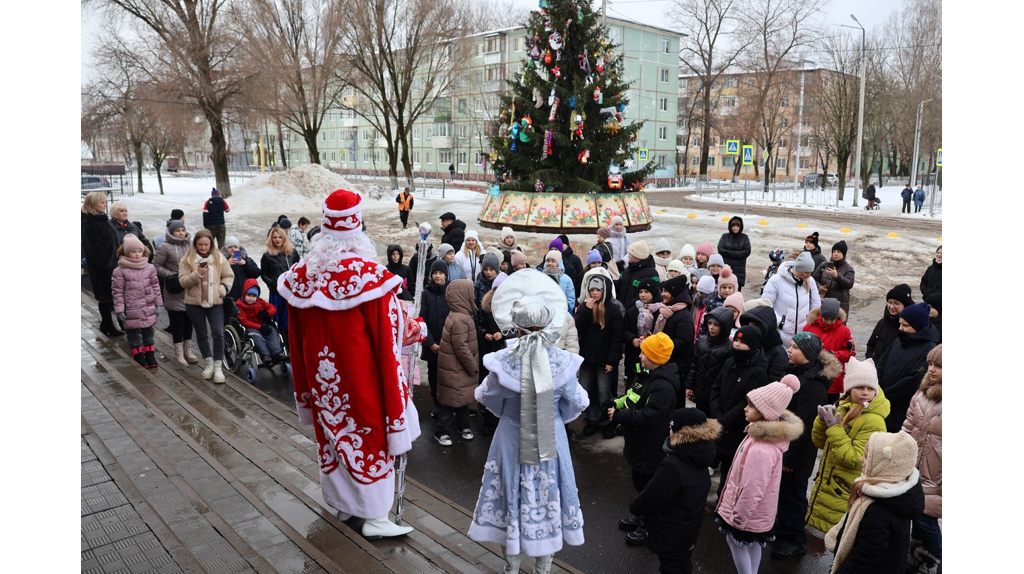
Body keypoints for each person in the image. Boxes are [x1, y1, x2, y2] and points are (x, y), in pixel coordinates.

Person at [278, 188, 418, 539]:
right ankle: (374, 515)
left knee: (333, 436)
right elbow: (388, 335)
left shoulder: (303, 274)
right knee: (370, 438)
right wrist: (413, 328)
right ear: (358, 230)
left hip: (323, 381)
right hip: (363, 379)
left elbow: (293, 333)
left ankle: (344, 505)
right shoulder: (370, 278)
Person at [468, 273, 589, 574]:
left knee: (510, 493)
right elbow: (577, 402)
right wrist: (554, 416)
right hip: (552, 438)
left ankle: (511, 567)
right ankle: (543, 568)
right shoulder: (563, 362)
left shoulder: (503, 362)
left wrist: (511, 413)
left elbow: (487, 398)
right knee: (547, 495)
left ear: (515, 324)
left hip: (510, 437)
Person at [715, 375, 803, 574]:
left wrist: (739, 517)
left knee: (735, 541)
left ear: (766, 412)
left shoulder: (761, 448)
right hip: (757, 513)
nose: (745, 409)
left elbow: (753, 487)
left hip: (747, 512)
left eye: (751, 406)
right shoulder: (760, 437)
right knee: (752, 543)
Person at [770, 333, 841, 560]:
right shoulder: (794, 373)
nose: (789, 350)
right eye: (790, 345)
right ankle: (783, 531)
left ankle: (796, 540)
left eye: (795, 347)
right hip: (784, 445)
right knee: (783, 494)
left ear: (808, 354)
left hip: (797, 453)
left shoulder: (812, 385)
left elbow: (805, 426)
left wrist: (789, 459)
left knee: (794, 496)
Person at [629, 408, 720, 574]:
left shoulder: (673, 465)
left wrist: (636, 509)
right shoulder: (701, 457)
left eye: (671, 427)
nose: (669, 431)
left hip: (670, 529)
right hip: (689, 527)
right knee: (683, 562)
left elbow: (651, 496)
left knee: (670, 566)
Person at [805, 357, 890, 534]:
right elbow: (821, 443)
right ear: (849, 389)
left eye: (870, 388)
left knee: (843, 537)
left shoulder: (874, 421)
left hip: (845, 489)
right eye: (860, 387)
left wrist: (834, 428)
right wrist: (822, 423)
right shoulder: (844, 407)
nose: (865, 392)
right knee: (834, 538)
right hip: (832, 484)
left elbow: (855, 459)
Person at [609, 332, 679, 547]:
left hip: (651, 445)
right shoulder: (646, 375)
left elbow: (649, 416)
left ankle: (649, 527)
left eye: (644, 354)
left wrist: (620, 415)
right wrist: (615, 404)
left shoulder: (663, 386)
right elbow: (632, 398)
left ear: (656, 358)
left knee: (650, 488)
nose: (639, 356)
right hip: (639, 444)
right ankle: (642, 516)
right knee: (640, 482)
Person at [824, 432, 925, 574]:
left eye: (867, 456)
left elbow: (864, 556)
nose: (861, 459)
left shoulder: (876, 510)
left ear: (884, 465)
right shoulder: (899, 493)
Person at [710, 325, 770, 496]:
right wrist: (717, 417)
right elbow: (715, 389)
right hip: (720, 424)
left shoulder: (758, 372)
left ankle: (723, 504)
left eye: (742, 342)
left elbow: (746, 402)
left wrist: (724, 421)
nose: (737, 344)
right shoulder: (730, 362)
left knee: (730, 473)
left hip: (736, 430)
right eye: (736, 340)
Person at [902, 344, 942, 573]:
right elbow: (908, 424)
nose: (932, 369)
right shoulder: (922, 392)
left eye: (939, 365)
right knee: (916, 514)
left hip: (936, 472)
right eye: (930, 364)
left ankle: (934, 561)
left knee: (927, 519)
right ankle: (916, 556)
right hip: (914, 466)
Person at [178, 229, 234, 383]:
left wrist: (223, 288)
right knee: (201, 333)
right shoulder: (187, 260)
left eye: (206, 245)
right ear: (195, 244)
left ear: (211, 244)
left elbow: (229, 275)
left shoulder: (219, 258)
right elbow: (182, 282)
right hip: (194, 303)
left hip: (215, 302)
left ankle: (218, 366)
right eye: (200, 245)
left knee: (217, 333)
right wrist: (198, 274)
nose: (203, 248)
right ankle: (208, 363)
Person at [875, 303, 939, 433]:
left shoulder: (928, 348)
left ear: (918, 326)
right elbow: (881, 364)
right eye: (900, 324)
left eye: (905, 325)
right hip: (881, 403)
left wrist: (884, 395)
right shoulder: (899, 341)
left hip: (902, 410)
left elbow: (913, 381)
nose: (900, 328)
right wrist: (876, 388)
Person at [576, 274, 625, 437]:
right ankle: (591, 419)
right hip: (587, 358)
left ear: (605, 291)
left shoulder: (613, 309)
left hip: (604, 360)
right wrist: (586, 310)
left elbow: (617, 337)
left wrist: (612, 360)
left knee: (604, 392)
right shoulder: (584, 306)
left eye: (598, 290)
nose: (595, 293)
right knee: (586, 389)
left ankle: (606, 422)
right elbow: (579, 328)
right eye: (592, 290)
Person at [435, 279, 479, 446]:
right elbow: (461, 347)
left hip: (456, 369)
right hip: (456, 369)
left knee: (461, 398)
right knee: (451, 400)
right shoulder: (461, 319)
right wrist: (472, 366)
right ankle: (441, 431)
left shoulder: (459, 314)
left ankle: (464, 426)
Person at [112, 234, 163, 369]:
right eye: (133, 252)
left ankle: (150, 353)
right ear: (127, 252)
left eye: (139, 251)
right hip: (131, 307)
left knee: (149, 331)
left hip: (147, 306)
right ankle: (137, 354)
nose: (137, 254)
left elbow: (156, 287)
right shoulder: (120, 271)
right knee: (133, 333)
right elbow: (117, 292)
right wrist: (119, 309)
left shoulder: (149, 267)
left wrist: (159, 303)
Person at [153, 220, 199, 366]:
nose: (181, 233)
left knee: (188, 322)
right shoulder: (165, 247)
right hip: (174, 289)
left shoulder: (190, 245)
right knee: (177, 322)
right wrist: (170, 274)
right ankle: (178, 353)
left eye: (182, 230)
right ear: (172, 232)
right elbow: (156, 266)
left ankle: (188, 351)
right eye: (177, 231)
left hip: (189, 288)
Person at [82, 192, 124, 337]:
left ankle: (106, 324)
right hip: (102, 268)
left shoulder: (100, 218)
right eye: (102, 202)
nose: (105, 205)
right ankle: (108, 325)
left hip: (112, 265)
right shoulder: (89, 221)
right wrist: (106, 263)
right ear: (93, 203)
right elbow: (93, 247)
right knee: (105, 297)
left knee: (110, 296)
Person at [762, 251, 820, 348]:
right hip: (780, 333)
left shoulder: (810, 281)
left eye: (810, 272)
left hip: (802, 335)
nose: (808, 275)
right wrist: (780, 323)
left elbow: (816, 305)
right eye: (806, 272)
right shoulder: (776, 280)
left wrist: (810, 324)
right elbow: (765, 305)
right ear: (798, 269)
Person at [654, 276, 695, 407]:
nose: (662, 294)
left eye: (665, 291)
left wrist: (659, 342)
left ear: (674, 293)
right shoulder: (668, 311)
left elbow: (684, 343)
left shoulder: (683, 316)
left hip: (677, 368)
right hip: (668, 364)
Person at [804, 299, 856, 403]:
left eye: (832, 319)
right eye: (825, 318)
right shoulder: (809, 327)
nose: (828, 322)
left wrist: (834, 354)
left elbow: (850, 354)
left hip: (834, 380)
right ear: (820, 315)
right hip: (812, 376)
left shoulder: (845, 331)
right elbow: (802, 350)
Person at [687, 307, 734, 417]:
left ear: (725, 327)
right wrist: (690, 386)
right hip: (700, 392)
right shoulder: (702, 343)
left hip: (716, 396)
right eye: (710, 323)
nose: (711, 327)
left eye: (716, 325)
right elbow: (694, 365)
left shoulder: (729, 349)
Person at [421, 260, 451, 417]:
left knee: (448, 376)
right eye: (435, 273)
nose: (437, 276)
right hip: (432, 343)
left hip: (449, 344)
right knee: (433, 375)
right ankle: (437, 404)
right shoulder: (426, 293)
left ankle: (449, 405)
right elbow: (422, 320)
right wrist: (430, 342)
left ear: (445, 274)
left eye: (440, 273)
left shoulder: (451, 291)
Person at [235, 279, 287, 366]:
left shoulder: (260, 301)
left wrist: (267, 313)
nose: (251, 298)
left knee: (272, 331)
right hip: (250, 326)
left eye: (254, 296)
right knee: (257, 336)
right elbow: (243, 321)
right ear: (244, 294)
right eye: (249, 295)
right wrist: (259, 327)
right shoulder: (239, 305)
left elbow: (273, 308)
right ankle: (265, 356)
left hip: (262, 324)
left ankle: (277, 353)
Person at [624, 278, 662, 389]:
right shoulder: (633, 310)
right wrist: (633, 339)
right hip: (635, 355)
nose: (643, 295)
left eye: (646, 292)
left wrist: (651, 339)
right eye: (640, 292)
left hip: (652, 356)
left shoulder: (660, 312)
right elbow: (624, 329)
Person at [261, 227, 299, 337]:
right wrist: (273, 283)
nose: (277, 240)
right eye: (275, 237)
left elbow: (298, 269)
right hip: (277, 292)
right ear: (271, 239)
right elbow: (264, 274)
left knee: (290, 320)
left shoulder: (293, 253)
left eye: (280, 237)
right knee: (278, 320)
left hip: (291, 292)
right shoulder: (267, 255)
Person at [865, 284, 914, 360]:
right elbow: (871, 345)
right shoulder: (882, 323)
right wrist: (870, 360)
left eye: (896, 303)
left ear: (905, 306)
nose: (891, 306)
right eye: (890, 302)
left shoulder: (910, 326)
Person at [812, 241, 855, 315]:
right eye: (834, 251)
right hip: (823, 302)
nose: (835, 254)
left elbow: (849, 284)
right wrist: (819, 287)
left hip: (840, 305)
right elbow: (813, 280)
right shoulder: (824, 265)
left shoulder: (848, 269)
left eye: (838, 252)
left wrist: (837, 276)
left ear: (843, 254)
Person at [222, 236, 261, 302]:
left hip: (245, 297)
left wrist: (245, 264)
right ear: (226, 249)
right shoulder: (221, 261)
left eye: (235, 247)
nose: (233, 249)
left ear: (239, 248)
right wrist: (227, 264)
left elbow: (256, 274)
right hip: (229, 297)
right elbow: (216, 275)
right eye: (230, 247)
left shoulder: (247, 259)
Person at [718, 216, 752, 291]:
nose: (735, 228)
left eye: (737, 226)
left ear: (740, 227)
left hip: (739, 270)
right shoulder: (725, 236)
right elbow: (720, 249)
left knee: (736, 291)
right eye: (733, 226)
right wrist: (736, 254)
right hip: (726, 268)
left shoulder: (744, 237)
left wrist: (731, 253)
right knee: (724, 290)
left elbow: (747, 251)